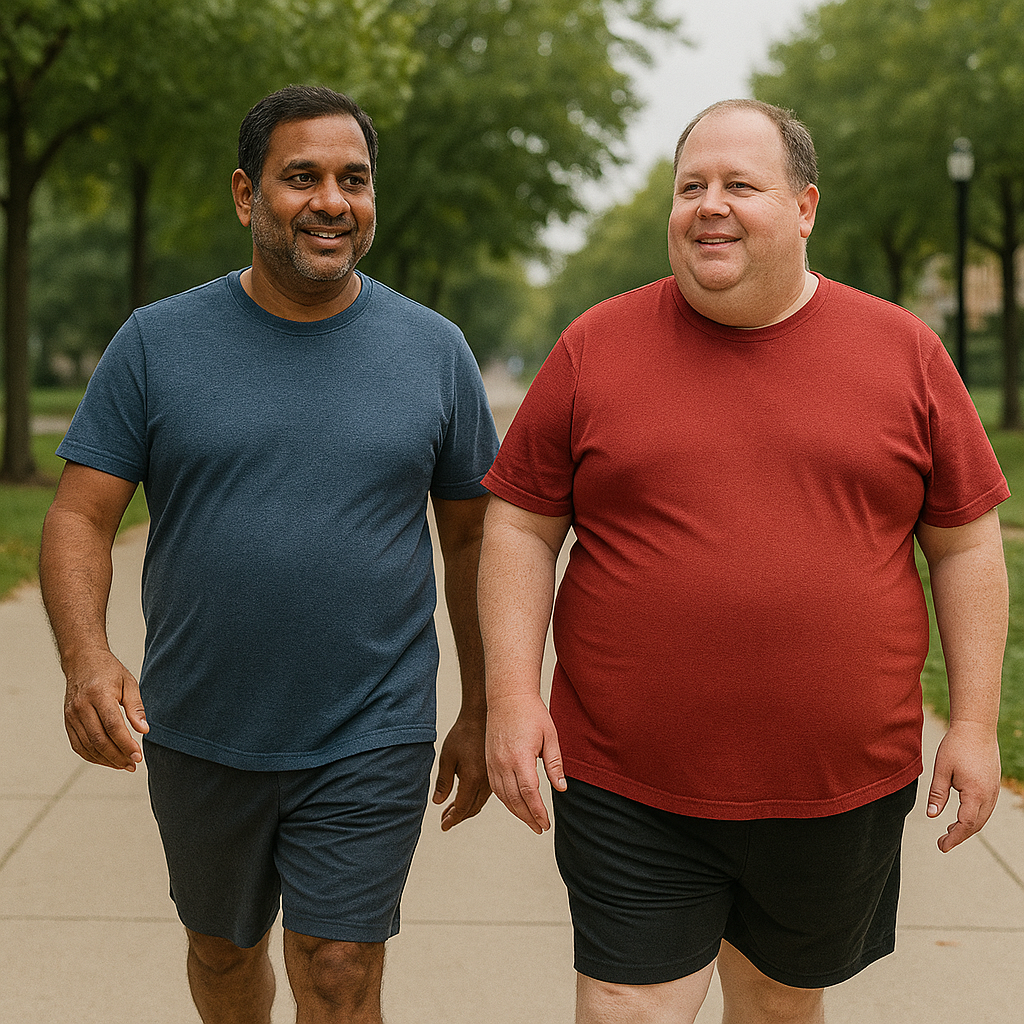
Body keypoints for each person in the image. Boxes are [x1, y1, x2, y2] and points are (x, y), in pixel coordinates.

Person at [479, 98, 1009, 1024]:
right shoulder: (594, 347)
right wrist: (512, 697)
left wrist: (973, 723)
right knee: (626, 1005)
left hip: (835, 783)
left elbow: (965, 545)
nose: (709, 205)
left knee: (776, 1007)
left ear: (804, 207)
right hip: (625, 778)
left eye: (739, 184)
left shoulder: (905, 353)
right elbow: (521, 525)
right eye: (691, 186)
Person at [40, 85, 499, 1024]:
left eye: (354, 180)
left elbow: (474, 538)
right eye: (303, 177)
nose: (333, 201)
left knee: (337, 967)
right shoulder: (156, 343)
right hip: (200, 723)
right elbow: (80, 516)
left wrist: (486, 704)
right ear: (247, 194)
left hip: (372, 724)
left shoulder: (434, 351)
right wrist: (86, 659)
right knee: (222, 952)